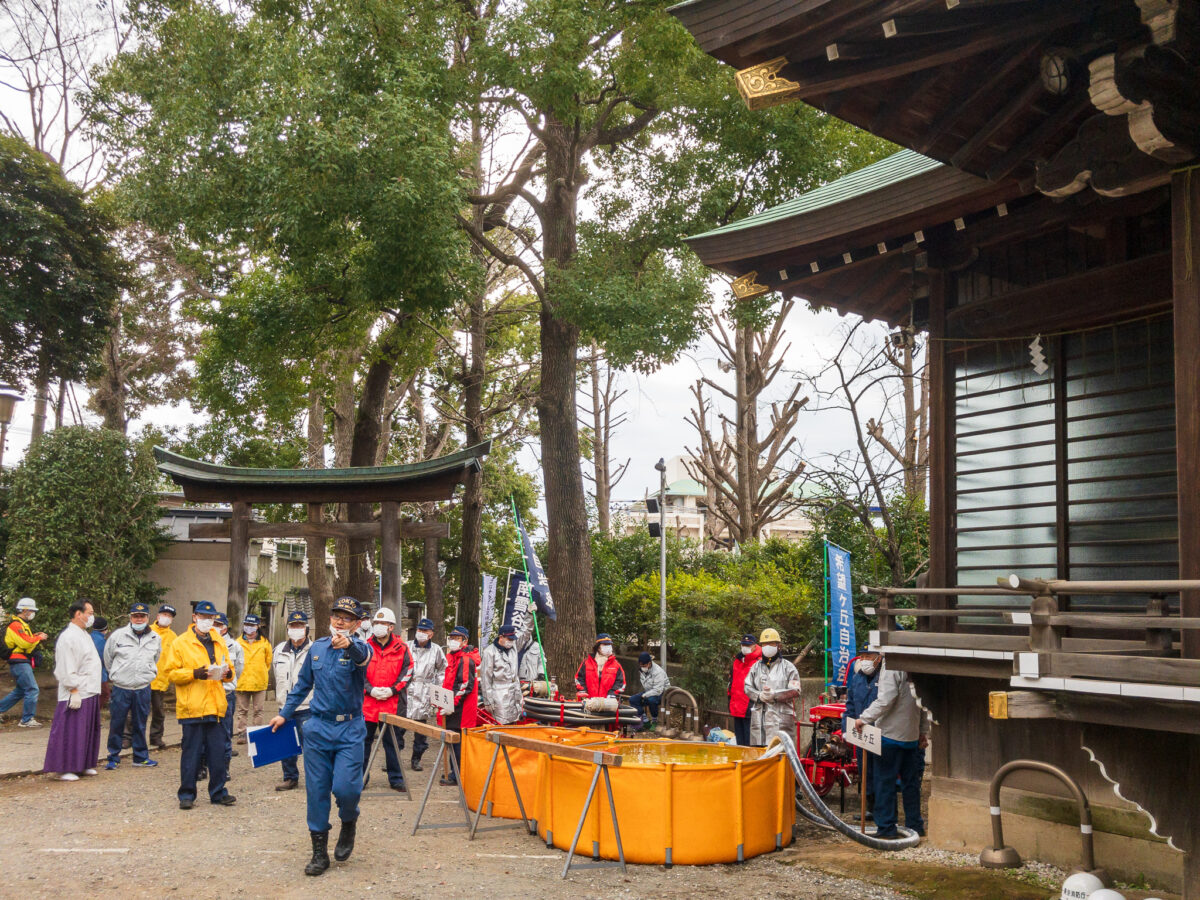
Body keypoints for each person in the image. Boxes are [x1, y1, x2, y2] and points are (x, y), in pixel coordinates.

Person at [269, 596, 373, 876]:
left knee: (347, 789)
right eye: (337, 616)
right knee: (316, 792)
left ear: (357, 624)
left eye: (347, 618)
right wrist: (285, 714)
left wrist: (350, 644)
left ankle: (349, 821)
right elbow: (302, 686)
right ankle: (319, 853)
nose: (340, 621)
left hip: (349, 730)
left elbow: (363, 657)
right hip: (317, 729)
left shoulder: (360, 647)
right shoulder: (317, 649)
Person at [162, 599, 236, 810]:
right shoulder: (181, 642)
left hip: (216, 705)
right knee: (191, 753)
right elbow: (171, 673)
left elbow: (229, 668)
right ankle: (187, 794)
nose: (207, 621)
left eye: (210, 618)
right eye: (203, 617)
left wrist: (228, 673)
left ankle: (218, 792)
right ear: (194, 617)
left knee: (218, 753)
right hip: (192, 706)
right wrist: (194, 673)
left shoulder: (219, 641)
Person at [853, 658, 929, 839]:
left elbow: (886, 699)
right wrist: (923, 731)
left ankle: (887, 827)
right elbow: (924, 702)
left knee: (885, 783)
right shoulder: (919, 664)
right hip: (911, 734)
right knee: (911, 784)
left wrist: (864, 718)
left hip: (890, 735)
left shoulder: (892, 664)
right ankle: (915, 826)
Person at [43, 600, 103, 781]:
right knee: (71, 730)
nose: (92, 616)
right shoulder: (68, 636)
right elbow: (65, 666)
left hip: (90, 689)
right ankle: (64, 768)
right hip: (76, 690)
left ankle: (83, 764)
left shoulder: (83, 634)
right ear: (79, 614)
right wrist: (73, 689)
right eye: (90, 612)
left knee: (86, 730)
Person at [102, 602, 162, 770]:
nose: (139, 619)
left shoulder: (155, 638)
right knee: (117, 723)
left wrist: (147, 674)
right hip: (122, 687)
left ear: (148, 618)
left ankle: (140, 756)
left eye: (142, 616)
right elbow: (108, 659)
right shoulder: (118, 636)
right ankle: (113, 757)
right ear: (130, 617)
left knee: (140, 723)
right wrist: (118, 674)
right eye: (135, 616)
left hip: (142, 687)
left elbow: (155, 659)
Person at [362, 607, 413, 792]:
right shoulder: (365, 646)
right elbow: (358, 672)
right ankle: (361, 777)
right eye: (377, 623)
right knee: (363, 743)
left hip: (393, 704)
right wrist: (369, 689)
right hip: (368, 704)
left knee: (392, 743)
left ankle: (396, 778)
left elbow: (408, 672)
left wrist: (393, 690)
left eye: (383, 624)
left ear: (391, 627)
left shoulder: (402, 648)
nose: (378, 627)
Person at [273, 610, 314, 791]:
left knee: (311, 746)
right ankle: (290, 777)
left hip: (307, 706)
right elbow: (276, 675)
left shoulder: (314, 650)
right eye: (293, 626)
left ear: (306, 628)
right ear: (287, 628)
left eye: (300, 626)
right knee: (286, 746)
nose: (296, 629)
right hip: (284, 706)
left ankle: (316, 779)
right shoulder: (279, 650)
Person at [744, 627, 801, 747]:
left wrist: (775, 695)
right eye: (764, 644)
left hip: (781, 721)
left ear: (778, 645)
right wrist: (759, 695)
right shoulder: (755, 667)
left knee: (781, 754)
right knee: (759, 757)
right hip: (759, 722)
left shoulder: (788, 667)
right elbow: (747, 687)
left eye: (771, 643)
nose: (767, 646)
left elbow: (795, 690)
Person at [842, 649, 882, 820]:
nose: (864, 660)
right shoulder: (857, 678)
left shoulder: (885, 678)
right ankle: (870, 807)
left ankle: (883, 810)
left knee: (881, 772)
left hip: (881, 733)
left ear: (878, 659)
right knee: (865, 770)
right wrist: (846, 729)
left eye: (869, 657)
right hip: (861, 732)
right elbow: (850, 706)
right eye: (862, 657)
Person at [404, 617, 446, 771]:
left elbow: (442, 670)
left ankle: (416, 758)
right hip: (407, 689)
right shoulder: (406, 646)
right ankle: (393, 757)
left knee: (421, 729)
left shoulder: (436, 650)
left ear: (431, 634)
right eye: (419, 630)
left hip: (425, 691)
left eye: (425, 631)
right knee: (398, 727)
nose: (421, 633)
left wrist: (437, 689)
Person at [439, 625, 478, 787]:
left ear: (465, 641)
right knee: (452, 739)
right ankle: (453, 771)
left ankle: (457, 774)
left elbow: (465, 686)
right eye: (452, 638)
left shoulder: (466, 659)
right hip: (451, 704)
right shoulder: (450, 657)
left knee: (458, 742)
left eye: (457, 638)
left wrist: (451, 704)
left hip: (461, 708)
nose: (454, 641)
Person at [1, 597, 47, 727]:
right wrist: (38, 637)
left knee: (21, 690)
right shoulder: (16, 625)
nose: (33, 613)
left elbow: (27, 643)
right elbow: (25, 643)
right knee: (32, 689)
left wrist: (35, 637)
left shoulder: (22, 624)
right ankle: (26, 720)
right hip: (19, 661)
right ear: (25, 610)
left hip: (20, 661)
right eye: (32, 610)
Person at [211, 612, 244, 779]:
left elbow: (238, 668)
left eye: (219, 624)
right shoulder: (206, 642)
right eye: (213, 624)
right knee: (206, 730)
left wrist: (228, 681)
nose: (216, 627)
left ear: (225, 627)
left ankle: (224, 768)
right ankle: (203, 766)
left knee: (225, 731)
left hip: (227, 692)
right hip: (208, 693)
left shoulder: (235, 646)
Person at [235, 614, 271, 743]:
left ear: (257, 627)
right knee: (242, 710)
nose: (249, 628)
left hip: (259, 681)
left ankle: (256, 733)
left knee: (258, 710)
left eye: (252, 625)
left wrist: (259, 671)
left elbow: (268, 661)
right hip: (242, 681)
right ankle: (241, 733)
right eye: (247, 625)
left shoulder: (265, 642)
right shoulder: (237, 643)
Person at [478, 624, 523, 725]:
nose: (511, 641)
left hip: (514, 691)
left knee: (515, 722)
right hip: (499, 694)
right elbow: (486, 679)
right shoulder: (489, 652)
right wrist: (488, 701)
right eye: (509, 639)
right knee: (501, 725)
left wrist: (529, 615)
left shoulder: (513, 648)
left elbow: (525, 634)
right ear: (501, 637)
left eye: (512, 639)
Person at [147, 604, 178, 750]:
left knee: (159, 711)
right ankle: (129, 737)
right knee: (136, 711)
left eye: (169, 616)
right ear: (158, 616)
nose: (166, 618)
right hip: (144, 679)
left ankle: (156, 737)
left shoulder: (173, 638)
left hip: (161, 680)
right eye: (164, 614)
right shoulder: (147, 631)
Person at [728, 635, 760, 747]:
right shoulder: (737, 661)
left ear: (754, 646)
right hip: (737, 707)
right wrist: (730, 700)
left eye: (748, 645)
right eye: (743, 645)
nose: (745, 647)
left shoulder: (759, 662)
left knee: (750, 744)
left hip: (750, 709)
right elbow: (731, 682)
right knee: (740, 743)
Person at [573, 633, 626, 701]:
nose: (608, 647)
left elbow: (621, 682)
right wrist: (583, 691)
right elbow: (579, 678)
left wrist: (613, 693)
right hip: (589, 702)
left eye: (609, 645)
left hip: (608, 703)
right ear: (598, 647)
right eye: (604, 645)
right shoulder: (587, 663)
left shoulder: (616, 665)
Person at [629, 651, 670, 724]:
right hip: (649, 691)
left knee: (651, 700)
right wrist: (645, 695)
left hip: (662, 693)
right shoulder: (642, 670)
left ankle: (655, 720)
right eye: (641, 665)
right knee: (633, 699)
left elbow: (658, 690)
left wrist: (645, 695)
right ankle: (644, 720)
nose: (642, 667)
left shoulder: (658, 672)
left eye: (644, 665)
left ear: (649, 663)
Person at [89, 617, 110, 708]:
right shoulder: (101, 641)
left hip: (88, 674)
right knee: (105, 694)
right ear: (105, 629)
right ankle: (93, 717)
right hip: (100, 674)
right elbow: (104, 658)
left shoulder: (89, 636)